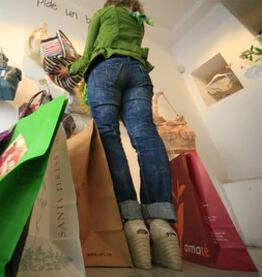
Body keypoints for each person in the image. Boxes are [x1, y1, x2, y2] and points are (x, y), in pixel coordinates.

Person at [59, 0, 182, 271]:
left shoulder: (104, 13)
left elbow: (90, 53)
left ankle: (133, 221)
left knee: (108, 136)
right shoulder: (137, 21)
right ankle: (160, 222)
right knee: (146, 135)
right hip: (138, 72)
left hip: (106, 71)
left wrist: (70, 69)